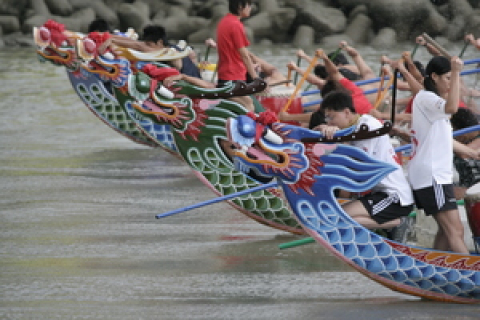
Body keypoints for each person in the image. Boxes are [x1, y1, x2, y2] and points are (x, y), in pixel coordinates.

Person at [315, 90, 415, 233]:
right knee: (335, 217)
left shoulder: (367, 127)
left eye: (331, 117)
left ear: (346, 112)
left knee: (336, 217)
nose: (330, 122)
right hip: (379, 194)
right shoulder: (358, 125)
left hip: (395, 197)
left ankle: (398, 222)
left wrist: (337, 136)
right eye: (327, 119)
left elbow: (358, 166)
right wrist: (324, 130)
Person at [407, 55, 470, 254]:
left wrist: (472, 153)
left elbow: (443, 140)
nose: (451, 83)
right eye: (448, 78)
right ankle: (473, 278)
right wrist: (458, 72)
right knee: (455, 230)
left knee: (446, 231)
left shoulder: (431, 102)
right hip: (432, 175)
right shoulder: (427, 98)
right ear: (434, 76)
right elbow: (452, 107)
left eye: (453, 78)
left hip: (434, 175)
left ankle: (440, 269)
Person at [102, 25, 202, 79]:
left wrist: (112, 40)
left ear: (160, 42)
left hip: (191, 87)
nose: (145, 47)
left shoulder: (171, 51)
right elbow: (137, 44)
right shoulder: (161, 47)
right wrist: (110, 39)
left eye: (149, 45)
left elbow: (139, 46)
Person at [215, 0, 261, 112]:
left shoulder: (223, 22)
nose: (250, 7)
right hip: (233, 76)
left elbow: (228, 51)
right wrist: (255, 78)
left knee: (245, 104)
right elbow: (244, 54)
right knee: (248, 104)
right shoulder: (236, 25)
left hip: (224, 74)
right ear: (240, 6)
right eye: (249, 5)